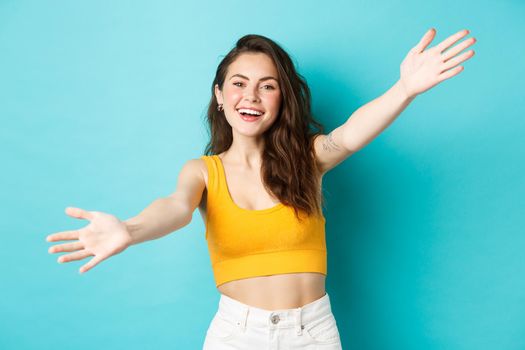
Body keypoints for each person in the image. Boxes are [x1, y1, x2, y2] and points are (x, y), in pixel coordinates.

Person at [46, 29, 476, 349]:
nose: (251, 95)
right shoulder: (202, 172)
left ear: (281, 99)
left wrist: (404, 89)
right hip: (238, 334)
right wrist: (130, 228)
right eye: (239, 83)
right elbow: (175, 208)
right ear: (219, 95)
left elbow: (349, 135)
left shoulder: (307, 161)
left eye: (267, 86)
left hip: (314, 333)